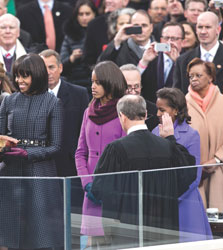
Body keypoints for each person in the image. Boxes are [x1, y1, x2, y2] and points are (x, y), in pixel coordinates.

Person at [0, 53, 64, 249]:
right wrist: (2, 147)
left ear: (37, 75)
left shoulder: (53, 103)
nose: (19, 80)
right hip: (10, 171)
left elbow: (56, 146)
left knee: (39, 233)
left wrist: (29, 154)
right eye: (17, 75)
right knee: (5, 231)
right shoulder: (9, 101)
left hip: (40, 174)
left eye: (25, 76)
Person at [90, 94, 196, 248]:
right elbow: (188, 174)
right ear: (146, 115)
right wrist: (170, 139)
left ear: (122, 116)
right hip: (164, 230)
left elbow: (100, 189)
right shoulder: (167, 147)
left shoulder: (116, 149)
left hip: (127, 232)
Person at [75, 61, 126, 248]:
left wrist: (110, 186)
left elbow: (125, 155)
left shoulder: (124, 111)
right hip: (91, 191)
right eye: (92, 82)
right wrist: (87, 183)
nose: (92, 86)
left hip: (115, 190)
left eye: (97, 82)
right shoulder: (88, 111)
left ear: (109, 83)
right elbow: (80, 152)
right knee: (92, 243)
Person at [152, 87, 212, 242]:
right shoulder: (154, 133)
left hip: (185, 205)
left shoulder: (191, 135)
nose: (157, 114)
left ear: (176, 111)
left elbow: (195, 178)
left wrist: (170, 199)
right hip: (161, 205)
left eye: (162, 110)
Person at [40, 49, 89, 177]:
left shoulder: (79, 94)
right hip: (42, 163)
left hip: (70, 164)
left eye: (51, 67)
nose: (48, 73)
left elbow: (83, 131)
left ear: (60, 68)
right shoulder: (32, 96)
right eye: (43, 68)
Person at [185, 58, 223, 211]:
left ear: (211, 77)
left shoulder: (222, 102)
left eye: (198, 75)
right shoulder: (183, 104)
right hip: (194, 173)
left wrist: (217, 158)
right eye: (190, 76)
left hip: (219, 169)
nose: (193, 79)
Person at [173, 11, 223, 94]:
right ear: (196, 29)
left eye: (208, 27)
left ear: (218, 29)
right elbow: (177, 95)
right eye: (200, 27)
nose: (203, 32)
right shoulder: (182, 61)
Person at [138, 22, 184, 103]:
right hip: (150, 108)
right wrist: (144, 61)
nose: (170, 42)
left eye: (174, 39)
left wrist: (178, 63)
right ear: (161, 40)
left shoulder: (187, 60)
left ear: (182, 41)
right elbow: (135, 79)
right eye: (166, 38)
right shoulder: (151, 57)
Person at [60, 0, 97, 90]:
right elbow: (61, 63)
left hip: (97, 79)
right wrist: (72, 58)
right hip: (75, 80)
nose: (84, 18)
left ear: (94, 14)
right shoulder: (70, 34)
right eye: (81, 14)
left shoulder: (101, 32)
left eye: (87, 14)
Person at [120, 64, 159, 131]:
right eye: (128, 87)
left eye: (136, 86)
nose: (133, 92)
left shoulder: (153, 111)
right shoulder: (110, 110)